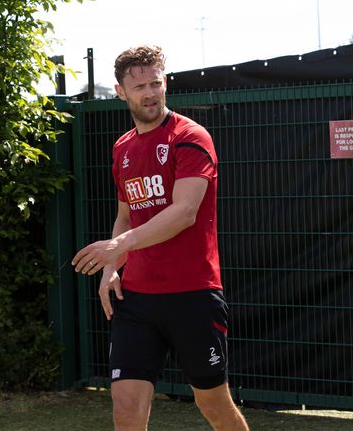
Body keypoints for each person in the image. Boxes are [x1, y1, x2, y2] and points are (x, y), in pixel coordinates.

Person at [71, 45, 249, 430]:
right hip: (136, 299)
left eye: (156, 83)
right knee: (126, 407)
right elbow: (124, 215)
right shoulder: (122, 148)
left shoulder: (190, 136)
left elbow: (184, 213)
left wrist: (120, 246)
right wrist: (111, 268)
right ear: (120, 92)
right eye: (140, 87)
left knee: (214, 404)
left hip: (193, 294)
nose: (150, 93)